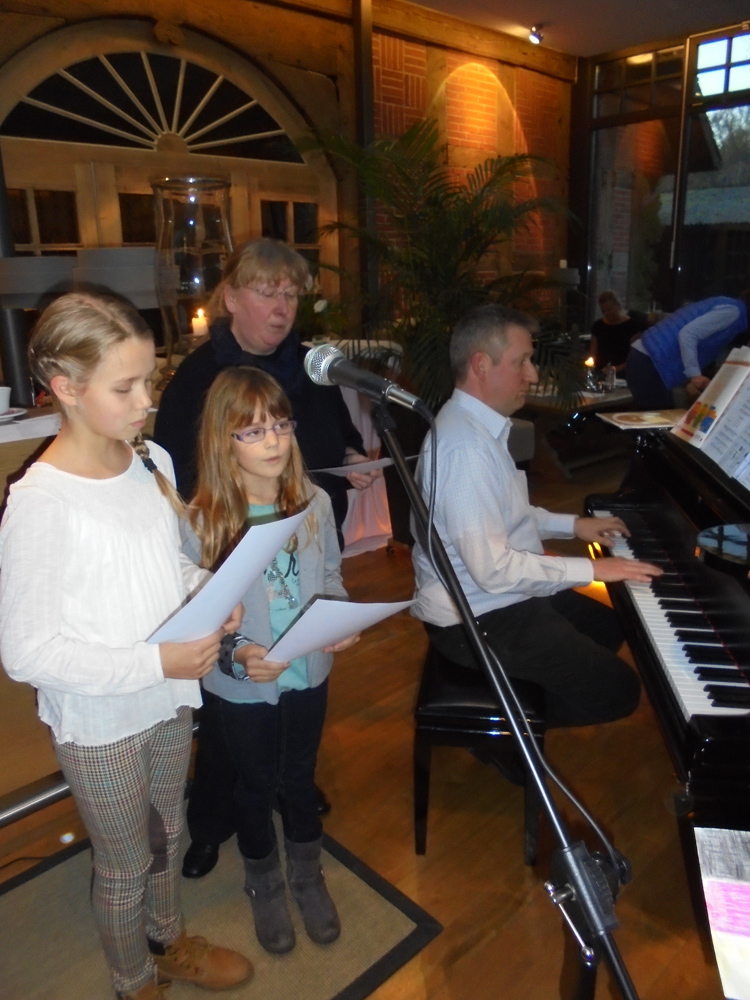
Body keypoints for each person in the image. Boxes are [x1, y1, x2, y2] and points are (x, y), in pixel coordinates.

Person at [0, 293, 252, 1000]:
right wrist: (155, 661)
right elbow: (25, 652)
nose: (147, 401)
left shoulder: (149, 459)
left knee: (168, 829)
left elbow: (163, 564)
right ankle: (132, 979)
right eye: (126, 387)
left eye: (149, 380)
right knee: (124, 862)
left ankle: (167, 942)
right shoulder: (42, 504)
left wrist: (208, 589)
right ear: (66, 388)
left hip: (167, 695)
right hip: (102, 720)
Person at [155, 239, 375, 878]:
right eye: (266, 292)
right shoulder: (200, 378)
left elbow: (335, 429)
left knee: (295, 692)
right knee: (231, 724)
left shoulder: (307, 363)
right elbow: (176, 477)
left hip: (307, 534)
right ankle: (212, 822)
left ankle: (287, 785)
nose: (282, 307)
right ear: (230, 298)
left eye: (290, 294)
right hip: (232, 546)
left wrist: (353, 456)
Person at [412, 303, 663, 736]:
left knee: (610, 626)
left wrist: (573, 526)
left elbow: (506, 514)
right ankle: (497, 733)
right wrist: (594, 570)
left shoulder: (477, 427)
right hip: (476, 616)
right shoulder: (464, 448)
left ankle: (520, 695)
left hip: (496, 596)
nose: (532, 374)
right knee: (621, 692)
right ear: (481, 365)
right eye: (522, 361)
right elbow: (493, 570)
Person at [182, 366, 359, 955]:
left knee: (299, 777)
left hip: (309, 674)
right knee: (254, 785)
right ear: (223, 440)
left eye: (281, 425)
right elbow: (196, 624)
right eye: (253, 431)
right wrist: (239, 656)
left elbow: (330, 577)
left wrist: (339, 618)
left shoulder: (315, 503)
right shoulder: (202, 523)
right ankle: (265, 884)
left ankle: (308, 875)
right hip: (242, 688)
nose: (274, 441)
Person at [625, 293, 750, 409]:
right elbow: (688, 334)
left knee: (659, 416)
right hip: (650, 361)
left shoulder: (729, 306)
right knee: (658, 419)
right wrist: (695, 375)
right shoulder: (733, 312)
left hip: (647, 357)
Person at [590, 290, 648, 372]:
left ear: (618, 305)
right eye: (603, 311)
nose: (606, 314)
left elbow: (635, 356)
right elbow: (593, 353)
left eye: (609, 310)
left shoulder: (632, 326)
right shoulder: (598, 326)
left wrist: (614, 369)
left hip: (624, 372)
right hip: (602, 372)